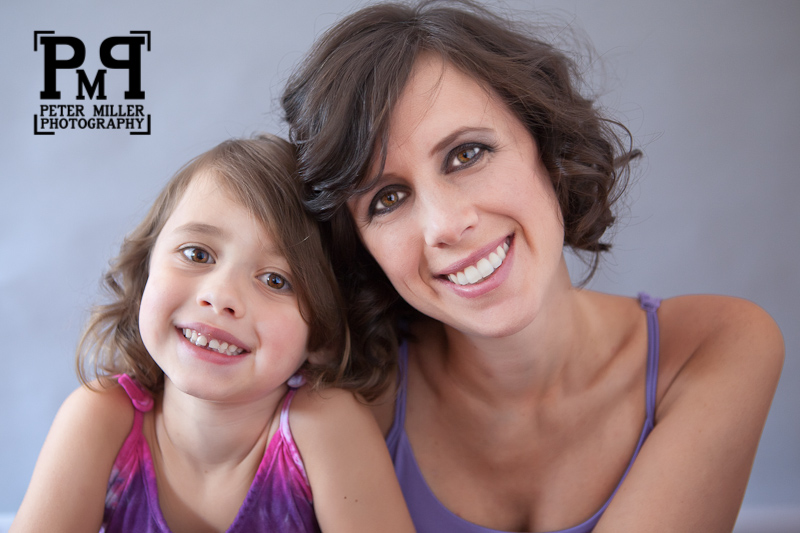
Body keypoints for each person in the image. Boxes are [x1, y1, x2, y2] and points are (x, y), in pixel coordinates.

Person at [281, 1, 785, 531]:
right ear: (362, 245)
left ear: (545, 143)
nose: (446, 225)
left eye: (467, 154)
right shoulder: (348, 397)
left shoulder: (713, 348)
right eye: (387, 199)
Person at [11, 134, 414, 533]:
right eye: (197, 254)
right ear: (146, 266)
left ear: (324, 334)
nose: (221, 296)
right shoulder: (101, 420)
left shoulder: (325, 426)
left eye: (275, 280)